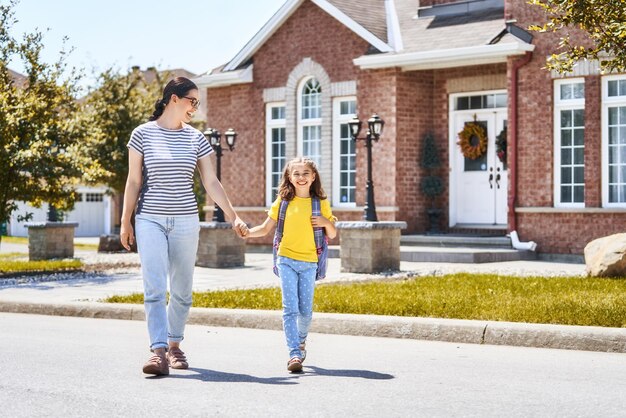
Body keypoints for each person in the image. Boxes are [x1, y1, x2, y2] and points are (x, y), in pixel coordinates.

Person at [120, 77, 248, 376]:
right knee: (154, 287)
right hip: (149, 218)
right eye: (193, 101)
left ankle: (175, 344)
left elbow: (210, 182)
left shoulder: (196, 139)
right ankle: (158, 352)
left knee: (182, 290)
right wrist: (125, 221)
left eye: (197, 103)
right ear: (173, 99)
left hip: (186, 221)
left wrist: (233, 216)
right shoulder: (142, 134)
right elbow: (134, 181)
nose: (195, 107)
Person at [245, 157, 336, 372]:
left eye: (306, 173)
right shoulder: (283, 202)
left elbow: (331, 233)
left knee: (306, 312)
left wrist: (325, 222)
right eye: (296, 173)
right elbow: (266, 228)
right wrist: (248, 232)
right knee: (290, 309)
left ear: (313, 177)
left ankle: (301, 340)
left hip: (309, 262)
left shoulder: (320, 203)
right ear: (289, 177)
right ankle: (294, 353)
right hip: (285, 259)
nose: (301, 177)